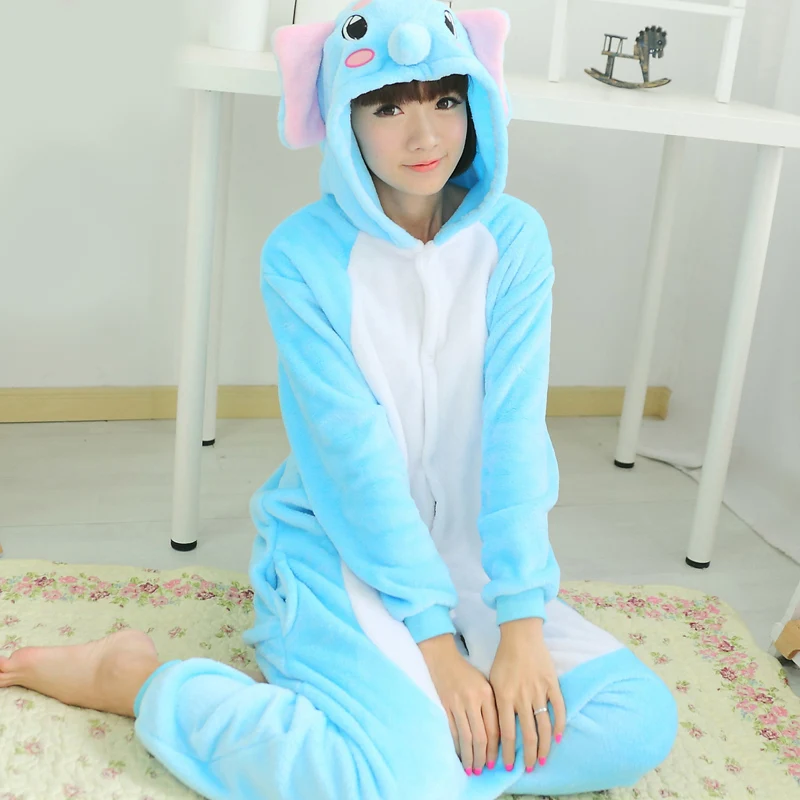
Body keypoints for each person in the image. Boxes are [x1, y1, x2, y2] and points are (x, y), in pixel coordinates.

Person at [0, 2, 678, 798]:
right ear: (342, 115)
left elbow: (515, 433)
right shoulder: (301, 257)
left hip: (471, 558)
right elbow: (354, 464)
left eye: (446, 99)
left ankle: (416, 757)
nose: (424, 135)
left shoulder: (515, 241)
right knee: (408, 783)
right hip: (341, 553)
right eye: (387, 107)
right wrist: (437, 651)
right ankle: (143, 682)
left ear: (476, 102)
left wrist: (521, 625)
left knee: (637, 722)